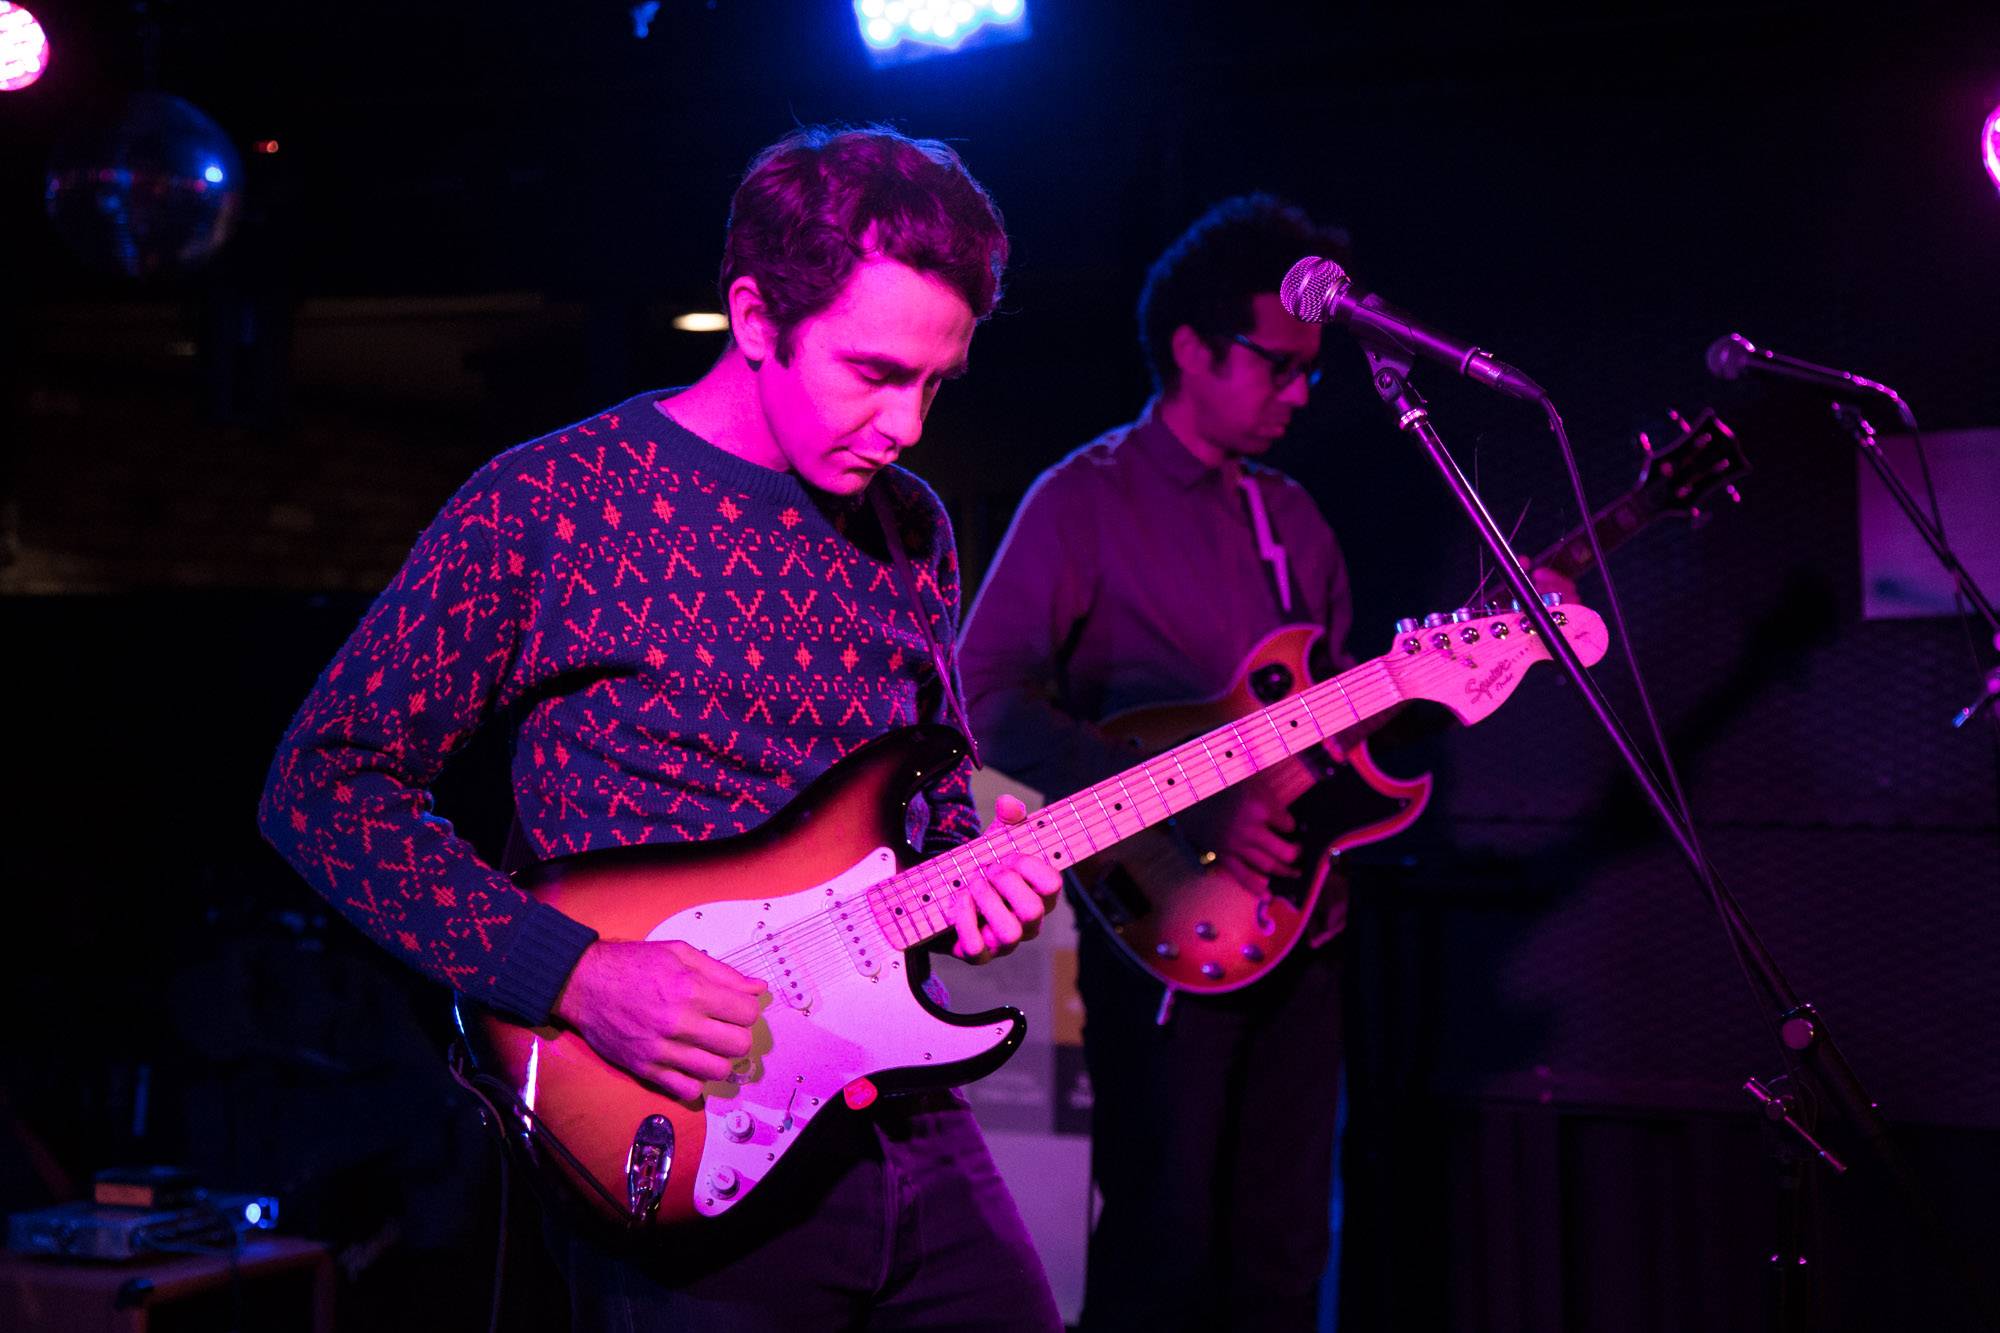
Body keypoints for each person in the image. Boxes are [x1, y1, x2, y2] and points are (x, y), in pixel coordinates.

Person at [258, 124, 1064, 1332]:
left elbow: (929, 800)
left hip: (894, 1110)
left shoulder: (912, 524)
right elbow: (322, 787)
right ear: (753, 318)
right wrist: (573, 975)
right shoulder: (550, 502)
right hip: (675, 1119)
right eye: (874, 373)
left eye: (935, 382)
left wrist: (981, 871)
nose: (908, 425)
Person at [959, 194, 1357, 1331]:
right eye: (1275, 366)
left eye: (1309, 373)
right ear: (1189, 348)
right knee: (1163, 1242)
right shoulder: (1084, 501)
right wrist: (1197, 811)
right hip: (1165, 918)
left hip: (1308, 923)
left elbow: (1331, 725)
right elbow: (982, 696)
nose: (1296, 392)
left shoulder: (1298, 521)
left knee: (1285, 1256)